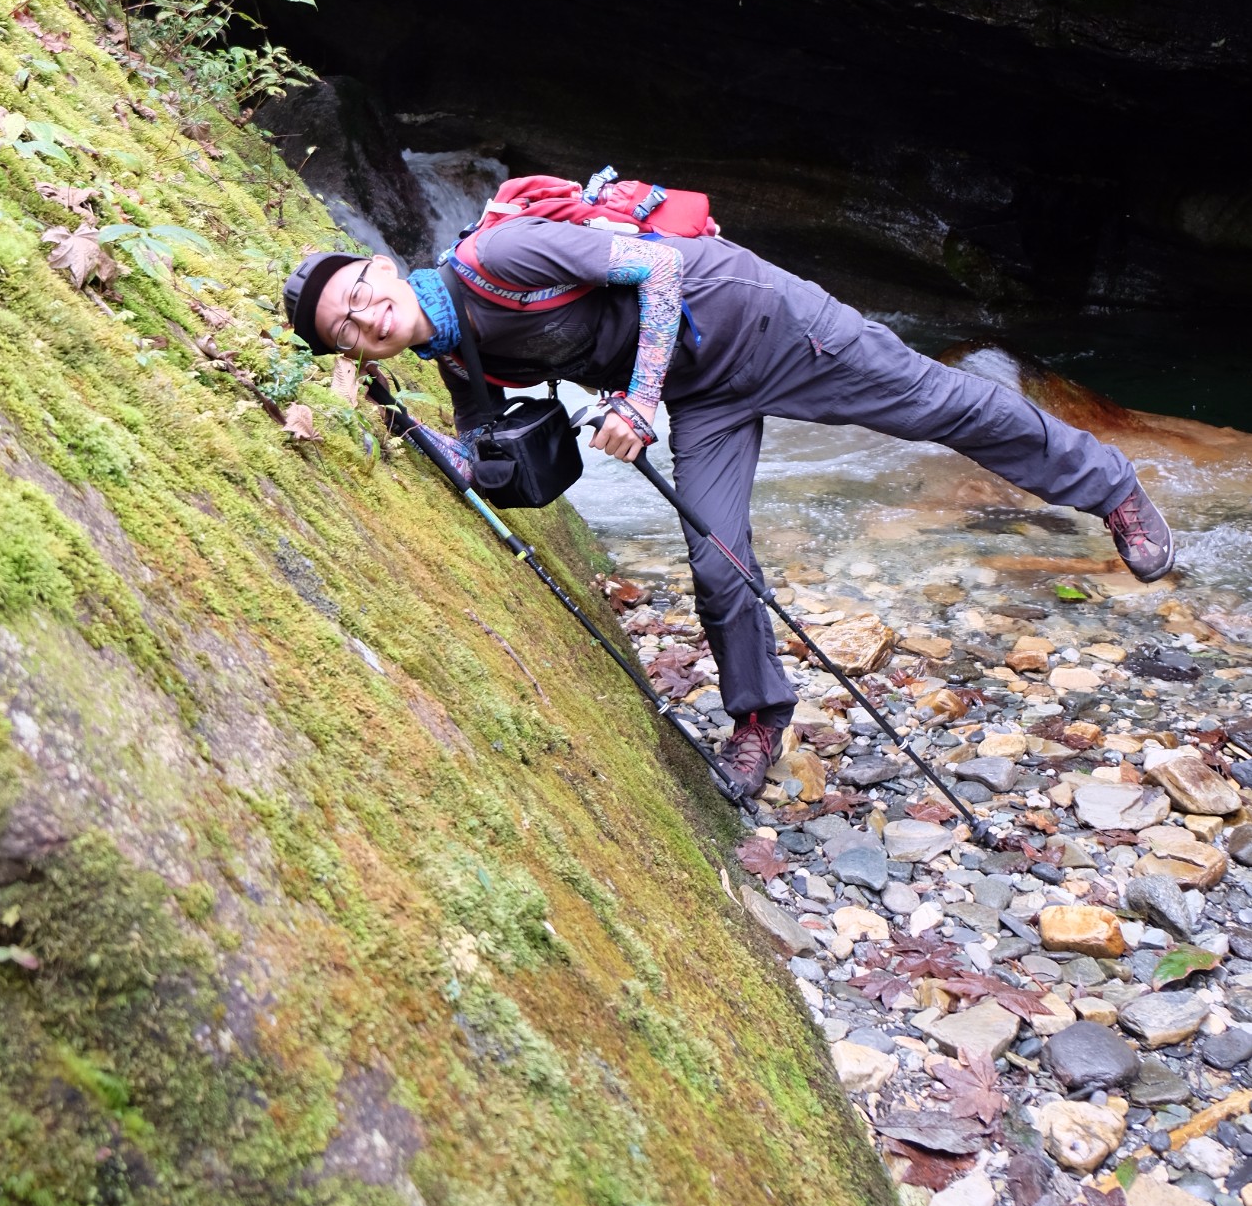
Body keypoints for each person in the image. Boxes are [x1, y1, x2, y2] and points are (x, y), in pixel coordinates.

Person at [283, 218, 1174, 798]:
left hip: (762, 320)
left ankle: (1111, 489)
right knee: (715, 558)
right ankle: (759, 716)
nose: (366, 317)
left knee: (942, 407)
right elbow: (487, 461)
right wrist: (419, 443)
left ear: (383, 266)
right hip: (699, 395)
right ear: (354, 355)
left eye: (361, 294)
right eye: (346, 330)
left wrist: (633, 402)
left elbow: (660, 268)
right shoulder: (452, 354)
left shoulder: (498, 256)